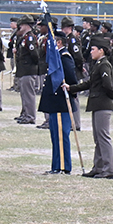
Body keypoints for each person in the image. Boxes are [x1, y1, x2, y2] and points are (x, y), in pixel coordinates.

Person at [67, 37, 113, 178]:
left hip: (102, 104)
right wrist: (72, 88)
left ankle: (108, 169)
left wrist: (111, 96)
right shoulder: (98, 64)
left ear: (101, 50)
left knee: (103, 137)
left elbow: (108, 85)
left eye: (93, 49)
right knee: (98, 138)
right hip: (97, 104)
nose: (91, 52)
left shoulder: (104, 65)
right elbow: (90, 83)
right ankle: (99, 167)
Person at [37, 30, 79, 174]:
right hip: (55, 103)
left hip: (61, 102)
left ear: (59, 42)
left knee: (61, 136)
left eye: (53, 40)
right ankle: (56, 165)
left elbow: (72, 79)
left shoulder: (64, 57)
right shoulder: (57, 57)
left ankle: (63, 166)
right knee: (55, 136)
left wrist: (71, 91)